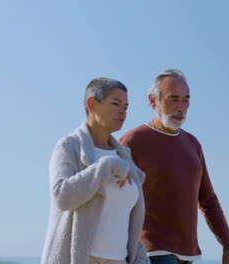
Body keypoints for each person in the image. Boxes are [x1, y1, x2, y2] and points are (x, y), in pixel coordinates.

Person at [120, 69, 229, 264]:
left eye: (186, 100)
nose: (181, 107)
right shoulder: (133, 142)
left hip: (188, 254)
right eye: (174, 99)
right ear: (153, 101)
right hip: (152, 253)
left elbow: (208, 200)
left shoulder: (193, 144)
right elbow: (116, 200)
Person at [41, 78, 149, 264]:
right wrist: (105, 166)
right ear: (91, 104)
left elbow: (127, 219)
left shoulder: (125, 157)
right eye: (115, 103)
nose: (122, 111)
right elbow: (62, 197)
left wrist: (140, 258)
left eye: (126, 106)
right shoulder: (69, 147)